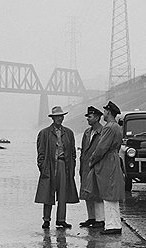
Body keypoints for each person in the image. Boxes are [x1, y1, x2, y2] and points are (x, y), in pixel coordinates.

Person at [83, 100, 124, 234]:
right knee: (112, 192)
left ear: (109, 112)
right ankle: (114, 223)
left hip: (107, 161)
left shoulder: (108, 127)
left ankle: (113, 225)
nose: (104, 114)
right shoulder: (117, 127)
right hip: (113, 159)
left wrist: (92, 160)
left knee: (108, 193)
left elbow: (101, 148)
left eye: (105, 111)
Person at [34, 105, 79, 229]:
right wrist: (42, 167)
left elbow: (73, 153)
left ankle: (61, 219)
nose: (60, 118)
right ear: (52, 118)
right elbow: (41, 153)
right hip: (49, 166)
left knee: (63, 193)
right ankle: (46, 219)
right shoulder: (44, 133)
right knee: (48, 193)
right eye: (57, 116)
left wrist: (72, 167)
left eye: (61, 116)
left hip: (63, 164)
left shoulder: (69, 133)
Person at [78, 104, 104, 228]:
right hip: (86, 166)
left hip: (97, 166)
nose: (87, 118)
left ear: (97, 117)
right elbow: (83, 150)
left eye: (90, 116)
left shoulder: (103, 132)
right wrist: (81, 165)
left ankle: (100, 219)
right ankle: (91, 218)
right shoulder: (87, 132)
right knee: (87, 193)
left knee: (97, 193)